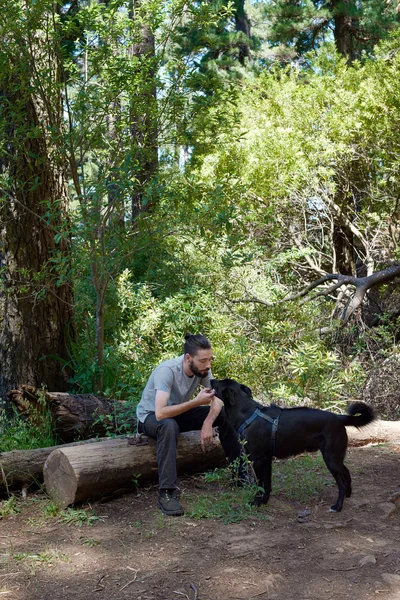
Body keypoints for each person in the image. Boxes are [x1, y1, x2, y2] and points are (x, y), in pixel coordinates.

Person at [136, 332, 243, 516]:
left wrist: (208, 423)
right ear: (188, 358)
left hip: (178, 412)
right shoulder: (167, 371)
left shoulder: (202, 370)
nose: (208, 365)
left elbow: (218, 400)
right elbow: (161, 413)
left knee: (224, 414)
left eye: (210, 360)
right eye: (203, 361)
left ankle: (241, 474)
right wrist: (196, 402)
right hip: (151, 417)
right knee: (169, 426)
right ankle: (167, 494)